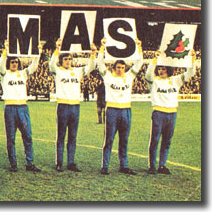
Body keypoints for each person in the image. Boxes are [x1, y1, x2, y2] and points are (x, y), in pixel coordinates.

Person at [96, 38, 143, 175]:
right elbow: (99, 62)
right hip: (112, 111)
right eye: (118, 67)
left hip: (126, 110)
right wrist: (102, 47)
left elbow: (139, 63)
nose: (120, 70)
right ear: (114, 68)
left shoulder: (129, 76)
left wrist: (139, 47)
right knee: (109, 139)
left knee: (124, 139)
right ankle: (105, 166)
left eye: (122, 67)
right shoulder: (108, 76)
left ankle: (124, 165)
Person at [48, 39, 96, 172]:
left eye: (70, 59)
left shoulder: (78, 71)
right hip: (63, 105)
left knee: (73, 136)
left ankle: (71, 162)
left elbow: (91, 67)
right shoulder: (58, 71)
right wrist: (57, 49)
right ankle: (59, 162)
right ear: (61, 60)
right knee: (61, 135)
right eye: (66, 59)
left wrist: (93, 54)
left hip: (75, 106)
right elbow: (51, 65)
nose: (68, 61)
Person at [145, 50, 195, 174]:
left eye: (163, 68)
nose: (161, 71)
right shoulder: (154, 81)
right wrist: (154, 60)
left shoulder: (176, 80)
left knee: (167, 141)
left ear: (168, 69)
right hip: (158, 113)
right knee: (155, 140)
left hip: (172, 113)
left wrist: (192, 59)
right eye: (159, 68)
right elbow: (148, 75)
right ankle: (152, 166)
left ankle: (162, 165)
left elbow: (190, 73)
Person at [0, 40, 41, 173]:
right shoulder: (4, 75)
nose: (14, 64)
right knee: (11, 138)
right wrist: (5, 50)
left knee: (27, 136)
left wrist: (37, 52)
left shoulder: (23, 74)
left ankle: (30, 163)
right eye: (12, 62)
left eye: (16, 62)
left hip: (23, 107)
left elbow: (33, 67)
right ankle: (13, 163)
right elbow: (0, 66)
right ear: (8, 63)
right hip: (10, 108)